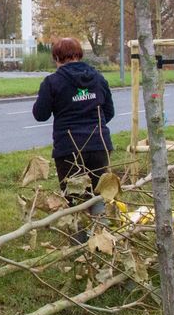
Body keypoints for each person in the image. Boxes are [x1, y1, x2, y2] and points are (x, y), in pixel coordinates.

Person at [32, 38, 115, 234]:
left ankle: (79, 240)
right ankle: (100, 238)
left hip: (69, 148)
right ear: (80, 55)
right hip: (99, 144)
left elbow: (40, 114)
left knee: (74, 196)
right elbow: (108, 112)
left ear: (56, 58)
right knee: (98, 192)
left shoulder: (52, 82)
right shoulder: (98, 78)